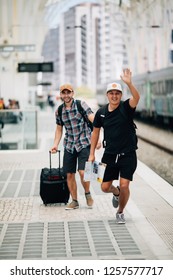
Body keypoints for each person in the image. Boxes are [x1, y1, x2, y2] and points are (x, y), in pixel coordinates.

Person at [88, 68, 140, 224]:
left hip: (128, 154)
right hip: (109, 155)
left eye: (117, 93)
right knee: (104, 187)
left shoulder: (126, 108)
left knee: (125, 185)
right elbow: (95, 133)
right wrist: (91, 154)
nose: (114, 96)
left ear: (121, 95)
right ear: (107, 95)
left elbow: (136, 98)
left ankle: (120, 212)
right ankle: (115, 193)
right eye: (111, 93)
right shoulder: (101, 113)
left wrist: (129, 83)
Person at [50, 83, 101, 210]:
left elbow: (94, 120)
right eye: (63, 93)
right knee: (69, 174)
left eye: (68, 92)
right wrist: (55, 145)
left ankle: (87, 193)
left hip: (84, 142)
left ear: (72, 93)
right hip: (69, 145)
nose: (66, 95)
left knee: (83, 172)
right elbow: (58, 130)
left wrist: (98, 138)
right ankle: (74, 201)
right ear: (61, 95)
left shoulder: (80, 104)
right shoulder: (59, 111)